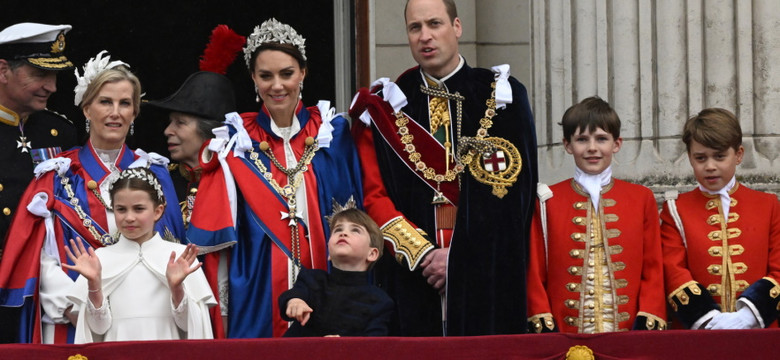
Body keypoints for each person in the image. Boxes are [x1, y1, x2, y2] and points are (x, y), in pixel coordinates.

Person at [348, 0, 538, 336]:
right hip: (413, 276)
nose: (425, 36)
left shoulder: (502, 96)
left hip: (485, 271)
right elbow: (373, 196)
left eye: (435, 24)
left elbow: (514, 199)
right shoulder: (386, 106)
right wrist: (425, 256)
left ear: (457, 27)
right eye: (415, 27)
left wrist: (458, 258)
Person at [187, 18, 364, 338]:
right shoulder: (235, 139)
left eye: (287, 73)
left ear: (303, 73)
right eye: (266, 76)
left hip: (323, 281)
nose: (277, 85)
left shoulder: (331, 132)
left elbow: (352, 215)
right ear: (253, 78)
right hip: (256, 285)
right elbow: (218, 229)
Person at [0, 51, 184, 343]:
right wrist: (80, 307)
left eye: (125, 103)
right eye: (105, 102)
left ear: (135, 112)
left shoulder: (155, 173)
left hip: (141, 321)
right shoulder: (57, 175)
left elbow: (171, 252)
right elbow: (44, 259)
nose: (115, 112)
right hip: (71, 321)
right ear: (86, 109)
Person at [526, 96, 667, 334]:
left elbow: (653, 267)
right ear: (568, 145)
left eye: (601, 139)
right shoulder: (546, 200)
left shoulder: (641, 198)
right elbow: (534, 270)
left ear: (617, 144)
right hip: (565, 335)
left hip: (627, 334)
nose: (592, 148)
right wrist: (543, 323)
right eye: (582, 139)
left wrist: (648, 318)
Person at [660, 108, 780, 329]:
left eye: (719, 156)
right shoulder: (675, 209)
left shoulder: (769, 205)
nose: (710, 166)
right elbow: (672, 269)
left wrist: (747, 316)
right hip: (696, 335)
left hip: (760, 333)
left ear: (739, 155)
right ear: (690, 158)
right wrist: (709, 319)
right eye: (700, 158)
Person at [64, 168, 214, 343]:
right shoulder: (100, 258)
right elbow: (98, 328)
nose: (129, 217)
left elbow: (189, 327)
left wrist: (177, 288)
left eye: (139, 209)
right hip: (117, 352)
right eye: (121, 209)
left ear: (158, 211)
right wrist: (94, 285)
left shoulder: (180, 257)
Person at [0, 22, 79, 344]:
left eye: (55, 76)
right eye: (39, 74)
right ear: (3, 70)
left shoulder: (60, 131)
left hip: (40, 283)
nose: (52, 87)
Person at [145, 25, 242, 228]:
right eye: (170, 122)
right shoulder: (157, 183)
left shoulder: (237, 183)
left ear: (209, 132)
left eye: (180, 123)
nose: (167, 131)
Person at [279, 203, 393, 337]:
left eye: (355, 230)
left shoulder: (380, 301)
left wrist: (343, 346)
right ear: (329, 254)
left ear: (372, 254)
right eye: (338, 230)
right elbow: (293, 294)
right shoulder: (313, 279)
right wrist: (295, 301)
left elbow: (375, 345)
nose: (343, 233)